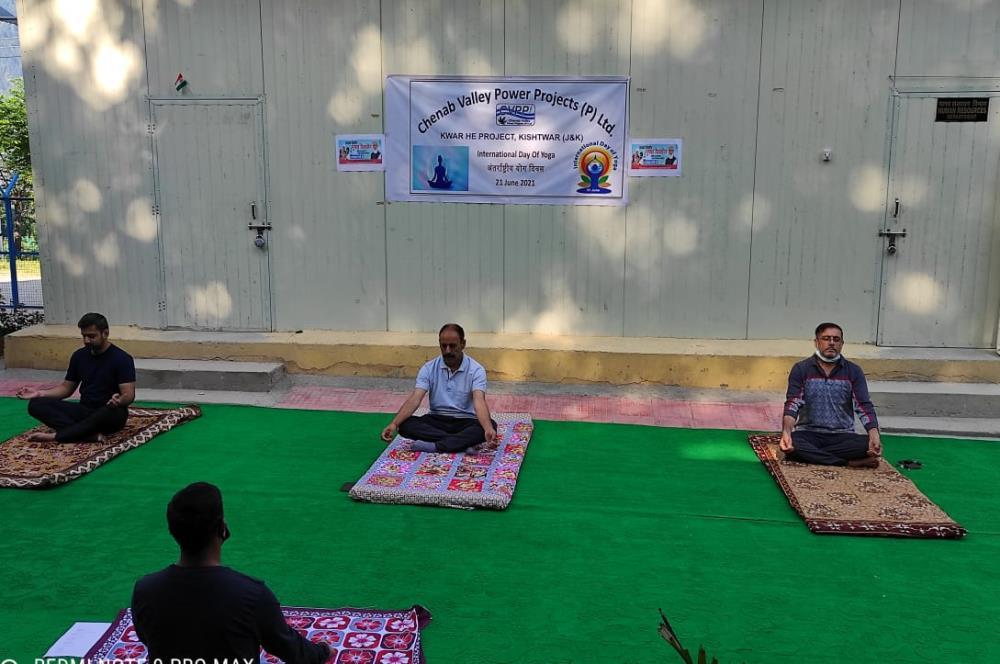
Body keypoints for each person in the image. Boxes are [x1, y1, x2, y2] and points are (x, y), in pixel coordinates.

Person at [132, 482, 332, 663]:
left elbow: (146, 637)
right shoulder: (252, 595)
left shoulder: (145, 590)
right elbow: (291, 650)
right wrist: (323, 651)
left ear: (173, 530)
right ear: (222, 528)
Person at [16, 312, 136, 443]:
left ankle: (59, 436)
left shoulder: (122, 359)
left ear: (105, 333)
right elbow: (66, 389)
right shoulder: (79, 356)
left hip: (109, 413)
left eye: (91, 336)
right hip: (85, 410)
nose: (86, 340)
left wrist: (119, 400)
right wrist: (39, 393)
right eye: (84, 336)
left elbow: (129, 395)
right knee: (36, 404)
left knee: (107, 413)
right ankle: (85, 435)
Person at [381, 323, 497, 453]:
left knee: (490, 425)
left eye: (452, 346)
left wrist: (487, 429)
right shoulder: (428, 368)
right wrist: (394, 423)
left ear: (463, 344)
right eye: (444, 346)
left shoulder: (476, 370)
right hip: (437, 420)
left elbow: (479, 401)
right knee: (405, 425)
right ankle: (462, 443)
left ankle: (436, 446)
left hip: (466, 421)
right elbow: (415, 398)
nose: (448, 350)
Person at [780, 322, 882, 468]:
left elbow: (863, 405)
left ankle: (814, 456)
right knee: (793, 442)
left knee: (866, 444)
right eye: (826, 338)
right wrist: (786, 432)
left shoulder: (853, 371)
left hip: (843, 436)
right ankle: (847, 462)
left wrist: (874, 434)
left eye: (836, 339)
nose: (831, 343)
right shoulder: (801, 369)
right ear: (816, 342)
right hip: (809, 433)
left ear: (842, 344)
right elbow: (792, 404)